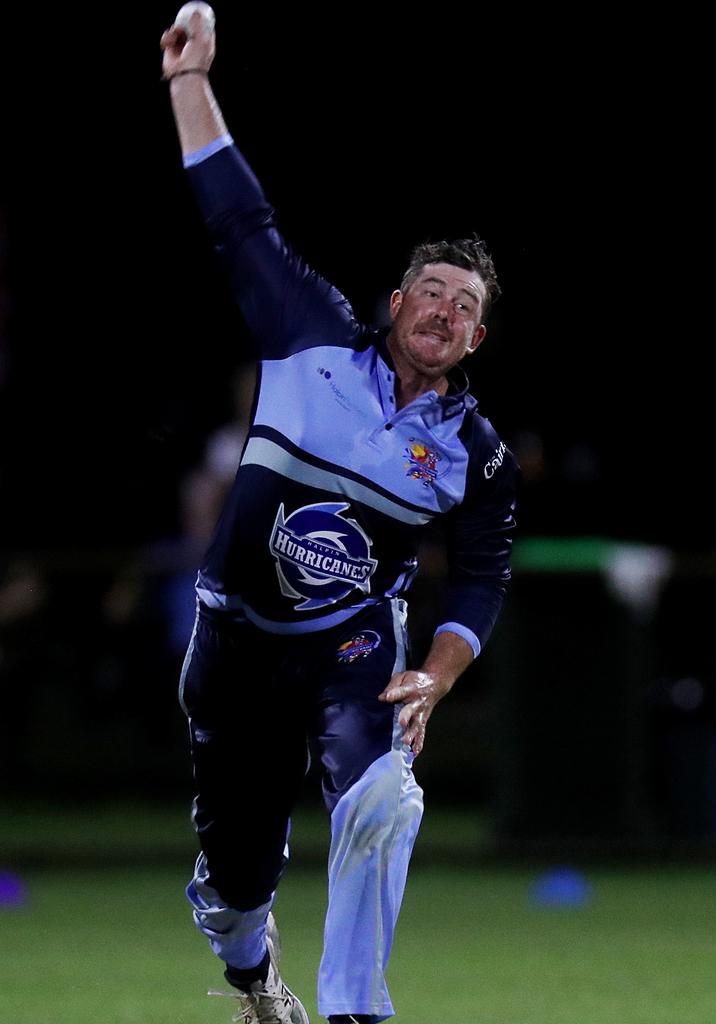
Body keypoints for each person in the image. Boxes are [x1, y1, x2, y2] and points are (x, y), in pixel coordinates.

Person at [160, 10, 519, 1024]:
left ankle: (357, 1010)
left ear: (476, 336)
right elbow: (237, 219)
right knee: (235, 884)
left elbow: (484, 572)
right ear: (398, 299)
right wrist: (190, 81)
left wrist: (438, 674)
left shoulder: (474, 455)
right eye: (433, 292)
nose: (445, 311)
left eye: (466, 306)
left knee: (384, 796)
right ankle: (249, 970)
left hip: (349, 643)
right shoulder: (307, 337)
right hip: (234, 638)